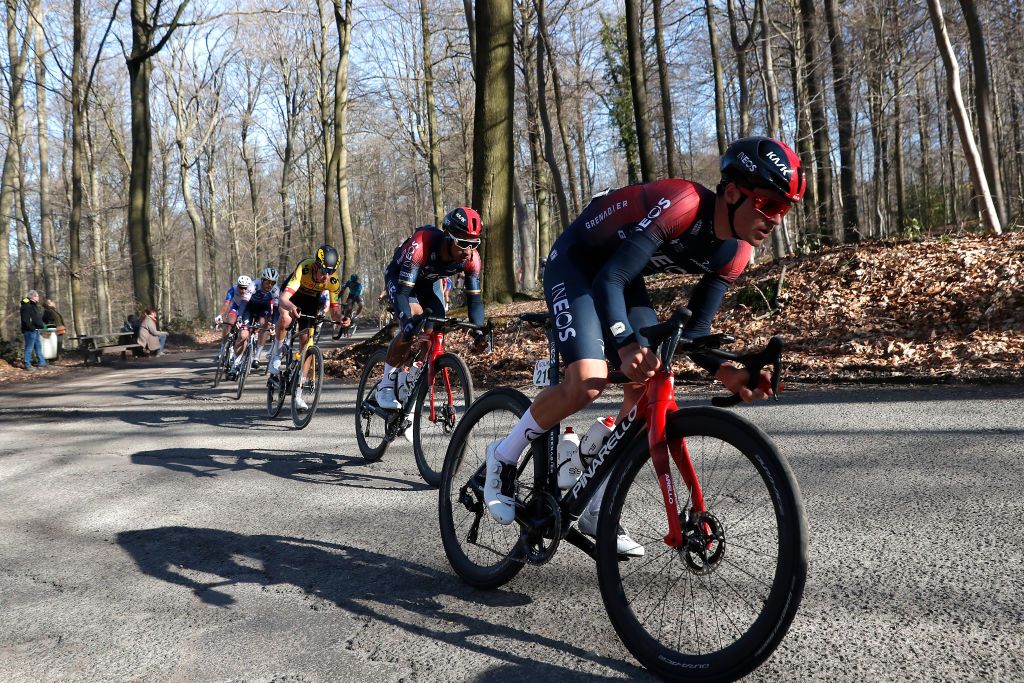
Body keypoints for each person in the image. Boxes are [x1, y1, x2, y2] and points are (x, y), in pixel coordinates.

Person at [483, 136, 807, 556]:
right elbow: (608, 280)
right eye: (770, 205)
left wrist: (726, 370)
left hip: (622, 273)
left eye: (785, 209)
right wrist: (621, 343)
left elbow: (695, 332)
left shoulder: (736, 255)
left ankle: (598, 504)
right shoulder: (683, 204)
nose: (776, 219)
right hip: (579, 261)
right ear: (732, 193)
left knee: (650, 375)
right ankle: (503, 456)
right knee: (588, 380)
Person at [375, 207, 489, 441]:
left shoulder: (471, 259)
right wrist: (407, 321)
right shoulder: (422, 245)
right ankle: (386, 385)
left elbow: (475, 302)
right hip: (402, 279)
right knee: (414, 321)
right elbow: (405, 295)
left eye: (474, 244)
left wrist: (479, 332)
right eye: (463, 243)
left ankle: (409, 384)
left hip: (429, 284)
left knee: (434, 330)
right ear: (448, 237)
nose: (468, 251)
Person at [270, 245, 346, 411]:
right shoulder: (304, 268)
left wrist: (341, 319)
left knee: (307, 344)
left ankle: (298, 393)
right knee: (285, 319)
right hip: (292, 296)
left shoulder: (333, 281)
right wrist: (290, 307)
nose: (326, 276)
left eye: (330, 272)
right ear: (316, 266)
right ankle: (276, 354)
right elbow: (283, 298)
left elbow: (334, 311)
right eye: (323, 271)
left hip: (311, 302)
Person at [229, 267, 280, 377]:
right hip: (249, 308)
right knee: (243, 335)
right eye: (267, 281)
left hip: (263, 309)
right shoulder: (254, 285)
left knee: (266, 326)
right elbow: (244, 303)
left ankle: (256, 356)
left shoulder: (275, 291)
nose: (269, 285)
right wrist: (239, 317)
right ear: (262, 280)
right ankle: (235, 363)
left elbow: (276, 310)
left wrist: (274, 324)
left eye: (272, 283)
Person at [214, 275, 255, 358]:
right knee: (229, 322)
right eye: (241, 288)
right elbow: (226, 303)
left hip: (248, 310)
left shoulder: (253, 291)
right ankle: (223, 347)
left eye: (245, 288)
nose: (243, 290)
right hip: (236, 307)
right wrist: (220, 315)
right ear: (238, 286)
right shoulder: (233, 289)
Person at [20, 289, 47, 370]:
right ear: (33, 297)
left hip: (36, 329)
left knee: (38, 346)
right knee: (29, 347)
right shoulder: (27, 305)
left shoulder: (33, 305)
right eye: (37, 296)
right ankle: (27, 364)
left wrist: (39, 326)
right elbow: (26, 320)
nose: (38, 297)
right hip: (29, 331)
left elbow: (35, 317)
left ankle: (42, 362)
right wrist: (31, 328)